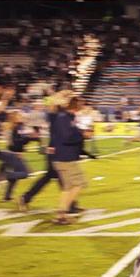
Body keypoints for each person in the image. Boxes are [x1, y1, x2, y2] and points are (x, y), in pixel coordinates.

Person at [50, 96, 88, 224]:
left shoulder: (67, 117)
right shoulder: (64, 118)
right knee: (78, 184)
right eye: (81, 104)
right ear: (75, 106)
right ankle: (63, 212)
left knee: (68, 187)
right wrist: (82, 136)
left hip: (64, 157)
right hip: (65, 158)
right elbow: (67, 138)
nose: (83, 106)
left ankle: (62, 214)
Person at [2, 111, 38, 201]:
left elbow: (16, 141)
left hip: (9, 153)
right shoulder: (16, 127)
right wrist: (32, 138)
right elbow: (18, 141)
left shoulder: (12, 126)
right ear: (15, 118)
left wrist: (30, 139)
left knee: (15, 176)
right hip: (14, 154)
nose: (22, 116)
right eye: (20, 116)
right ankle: (7, 175)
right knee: (24, 173)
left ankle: (7, 196)